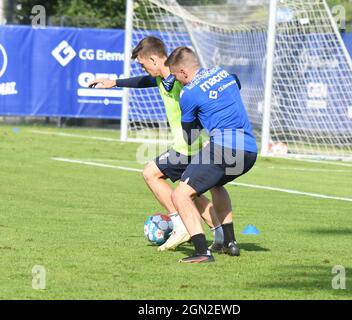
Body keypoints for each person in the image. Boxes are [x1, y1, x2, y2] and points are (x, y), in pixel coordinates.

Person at [88, 37, 224, 252]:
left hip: (187, 147)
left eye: (143, 63)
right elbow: (144, 81)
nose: (142, 67)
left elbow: (199, 98)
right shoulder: (164, 77)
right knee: (191, 193)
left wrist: (206, 130)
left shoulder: (177, 77)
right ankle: (220, 233)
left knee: (151, 173)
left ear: (153, 59)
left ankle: (180, 225)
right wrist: (114, 82)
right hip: (193, 146)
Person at [165, 47, 258, 263]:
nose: (176, 80)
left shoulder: (188, 94)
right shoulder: (223, 73)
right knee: (216, 185)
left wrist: (197, 116)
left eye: (176, 76)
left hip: (224, 149)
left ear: (183, 72)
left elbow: (189, 136)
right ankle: (230, 243)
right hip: (250, 151)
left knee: (180, 195)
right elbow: (236, 82)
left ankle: (201, 252)